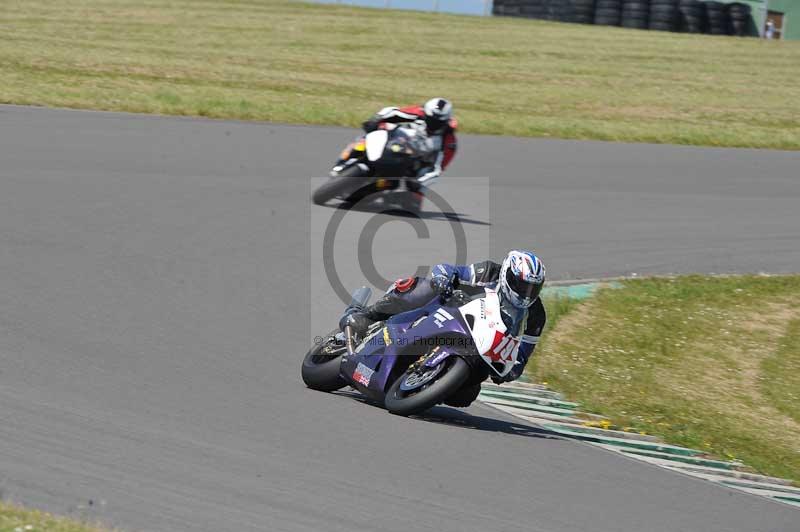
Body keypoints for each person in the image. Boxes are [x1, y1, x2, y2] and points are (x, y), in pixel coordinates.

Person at [340, 250, 547, 389]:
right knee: (421, 288)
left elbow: (522, 355)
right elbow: (449, 269)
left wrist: (510, 372)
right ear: (507, 274)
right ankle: (367, 315)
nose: (526, 293)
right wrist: (442, 281)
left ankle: (428, 382)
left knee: (466, 395)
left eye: (532, 288)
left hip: (479, 345)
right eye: (521, 285)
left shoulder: (536, 315)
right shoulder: (490, 272)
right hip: (450, 310)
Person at [361, 98, 458, 209]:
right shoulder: (419, 112)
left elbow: (437, 169)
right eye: (430, 119)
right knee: (376, 130)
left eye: (437, 122)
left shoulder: (448, 140)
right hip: (399, 141)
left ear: (445, 121)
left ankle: (388, 192)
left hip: (416, 163)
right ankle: (348, 158)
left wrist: (419, 182)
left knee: (412, 205)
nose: (432, 123)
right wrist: (376, 119)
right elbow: (394, 112)